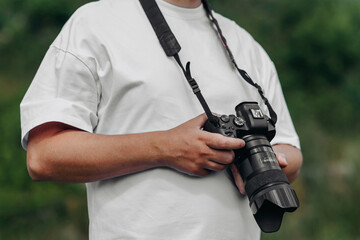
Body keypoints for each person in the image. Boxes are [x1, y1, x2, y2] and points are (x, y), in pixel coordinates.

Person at [20, 0, 302, 239]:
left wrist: (260, 161)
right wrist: (165, 148)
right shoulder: (94, 24)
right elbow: (43, 155)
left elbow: (291, 152)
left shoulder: (244, 44)